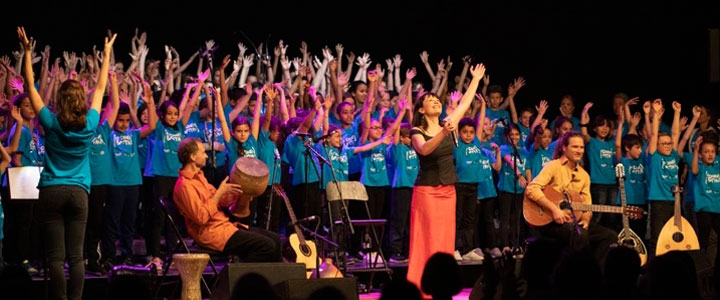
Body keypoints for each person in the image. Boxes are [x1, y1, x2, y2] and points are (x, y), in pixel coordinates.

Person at [18, 27, 116, 300]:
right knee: (76, 257)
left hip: (51, 190)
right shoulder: (91, 124)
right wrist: (107, 54)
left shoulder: (50, 122)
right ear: (81, 101)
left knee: (54, 258)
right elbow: (100, 87)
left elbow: (30, 87)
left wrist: (27, 53)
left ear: (60, 100)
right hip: (78, 192)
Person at [406, 63, 485, 296]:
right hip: (427, 191)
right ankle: (421, 287)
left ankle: (442, 286)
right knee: (426, 238)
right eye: (430, 101)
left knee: (444, 239)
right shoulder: (416, 132)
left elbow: (464, 103)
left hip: (448, 190)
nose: (436, 102)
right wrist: (444, 131)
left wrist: (476, 80)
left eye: (437, 100)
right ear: (421, 110)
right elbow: (425, 150)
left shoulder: (447, 122)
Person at [173, 137, 282, 262]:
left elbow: (220, 201)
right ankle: (241, 277)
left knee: (275, 239)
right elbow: (201, 217)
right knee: (267, 246)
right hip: (212, 234)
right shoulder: (184, 186)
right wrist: (220, 192)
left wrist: (238, 192)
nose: (206, 156)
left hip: (224, 227)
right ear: (192, 157)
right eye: (203, 152)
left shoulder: (200, 177)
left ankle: (276, 280)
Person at [524, 131, 617, 264]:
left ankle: (593, 271)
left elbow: (587, 204)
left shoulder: (584, 175)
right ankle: (574, 274)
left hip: (573, 221)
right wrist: (554, 209)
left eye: (582, 147)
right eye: (575, 147)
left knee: (610, 236)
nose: (579, 150)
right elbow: (532, 188)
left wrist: (586, 218)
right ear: (564, 148)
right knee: (580, 235)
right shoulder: (554, 166)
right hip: (549, 220)